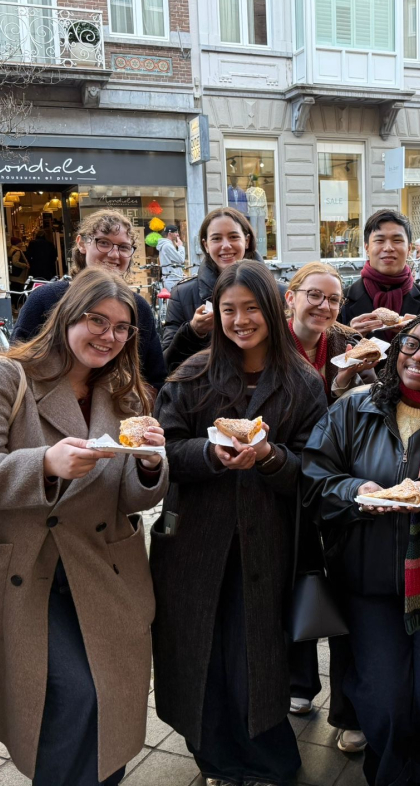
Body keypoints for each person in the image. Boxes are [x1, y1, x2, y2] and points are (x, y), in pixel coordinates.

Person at [0, 268, 167, 786]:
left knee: (109, 699)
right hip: (27, 574)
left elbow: (129, 499)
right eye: (96, 320)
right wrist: (43, 464)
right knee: (71, 700)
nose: (108, 336)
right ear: (66, 317)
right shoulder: (3, 377)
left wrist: (151, 465)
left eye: (122, 327)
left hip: (103, 570)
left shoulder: (126, 393)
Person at [150, 260, 327, 786]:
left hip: (268, 542)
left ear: (272, 309)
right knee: (199, 650)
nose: (240, 320)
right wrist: (210, 454)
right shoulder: (192, 375)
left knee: (257, 653)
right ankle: (216, 760)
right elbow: (162, 450)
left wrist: (270, 457)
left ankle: (270, 761)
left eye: (252, 308)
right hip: (194, 540)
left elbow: (315, 468)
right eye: (229, 309)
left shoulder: (303, 383)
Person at [303, 312, 420, 786]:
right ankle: (389, 775)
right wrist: (355, 492)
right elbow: (313, 482)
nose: (418, 357)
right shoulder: (352, 409)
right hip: (366, 582)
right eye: (410, 344)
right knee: (384, 699)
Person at [283, 262, 378, 753]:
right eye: (313, 295)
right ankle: (299, 682)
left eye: (333, 299)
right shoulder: (268, 344)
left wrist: (349, 386)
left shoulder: (349, 344)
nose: (323, 306)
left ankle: (348, 709)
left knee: (343, 590)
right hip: (283, 482)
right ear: (291, 297)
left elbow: (374, 405)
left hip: (338, 481)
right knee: (296, 580)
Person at [14, 209, 167, 388]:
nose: (114, 254)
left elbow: (154, 379)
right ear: (81, 243)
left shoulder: (140, 308)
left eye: (124, 247)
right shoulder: (45, 299)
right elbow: (18, 368)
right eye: (103, 243)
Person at [161, 206, 272, 372]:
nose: (226, 246)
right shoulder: (182, 294)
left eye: (233, 237)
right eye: (216, 238)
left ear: (247, 240)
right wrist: (193, 332)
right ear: (205, 245)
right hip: (206, 387)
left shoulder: (277, 292)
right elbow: (167, 364)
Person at [342, 210, 420, 334]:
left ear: (409, 249)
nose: (388, 248)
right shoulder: (342, 301)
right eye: (379, 240)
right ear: (367, 248)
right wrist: (349, 334)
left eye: (397, 240)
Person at [157, 224, 187, 291]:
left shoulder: (167, 245)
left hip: (172, 279)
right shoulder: (167, 246)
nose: (177, 234)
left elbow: (174, 262)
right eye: (175, 232)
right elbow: (181, 259)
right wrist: (180, 246)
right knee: (175, 297)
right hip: (172, 280)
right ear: (170, 233)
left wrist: (181, 273)